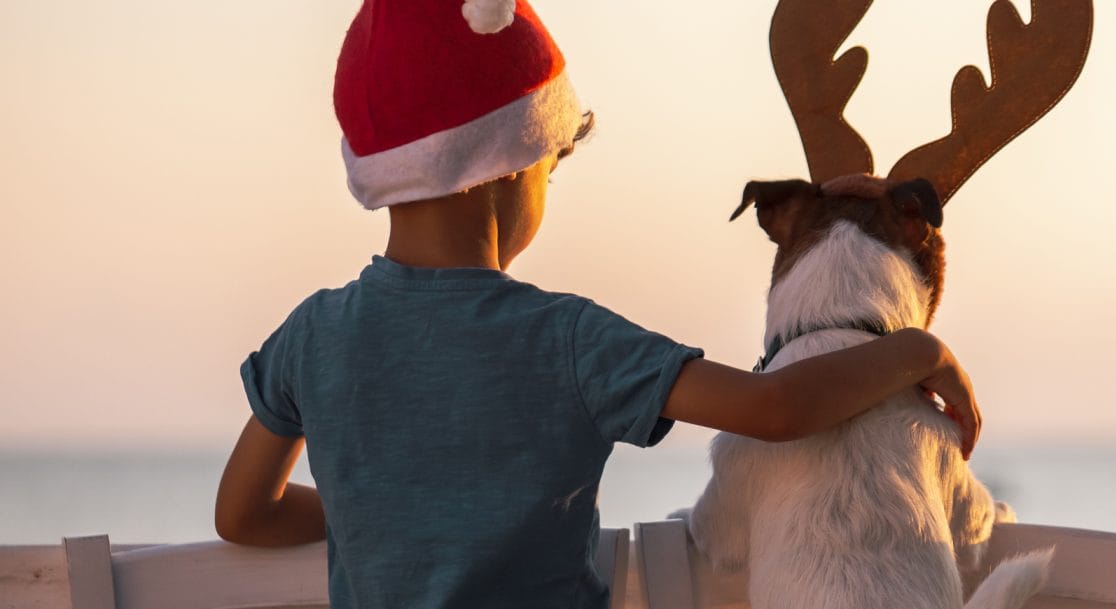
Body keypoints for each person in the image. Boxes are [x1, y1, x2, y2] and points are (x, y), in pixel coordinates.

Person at [214, 2, 982, 608]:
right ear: (507, 167)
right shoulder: (567, 339)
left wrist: (383, 515)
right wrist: (922, 352)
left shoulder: (314, 335)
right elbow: (775, 407)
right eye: (553, 163)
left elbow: (243, 513)